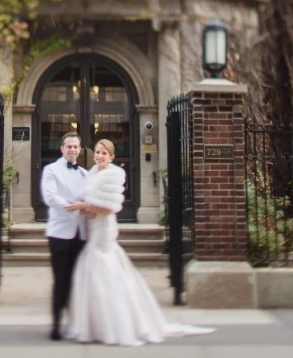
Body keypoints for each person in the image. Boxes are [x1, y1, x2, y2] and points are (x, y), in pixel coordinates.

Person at [65, 139, 215, 346]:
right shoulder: (91, 174)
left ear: (112, 157)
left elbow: (110, 208)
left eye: (104, 153)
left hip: (105, 231)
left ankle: (115, 323)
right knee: (93, 272)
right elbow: (92, 208)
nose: (99, 156)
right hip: (93, 229)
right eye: (98, 152)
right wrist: (85, 210)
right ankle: (96, 324)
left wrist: (85, 205)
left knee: (105, 272)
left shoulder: (114, 175)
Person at [40, 131, 88, 341]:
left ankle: (75, 323)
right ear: (62, 149)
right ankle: (56, 324)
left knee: (78, 280)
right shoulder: (51, 170)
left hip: (81, 234)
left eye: (75, 147)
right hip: (59, 234)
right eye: (69, 146)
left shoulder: (85, 174)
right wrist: (77, 206)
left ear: (80, 149)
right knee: (61, 280)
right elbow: (50, 197)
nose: (72, 150)